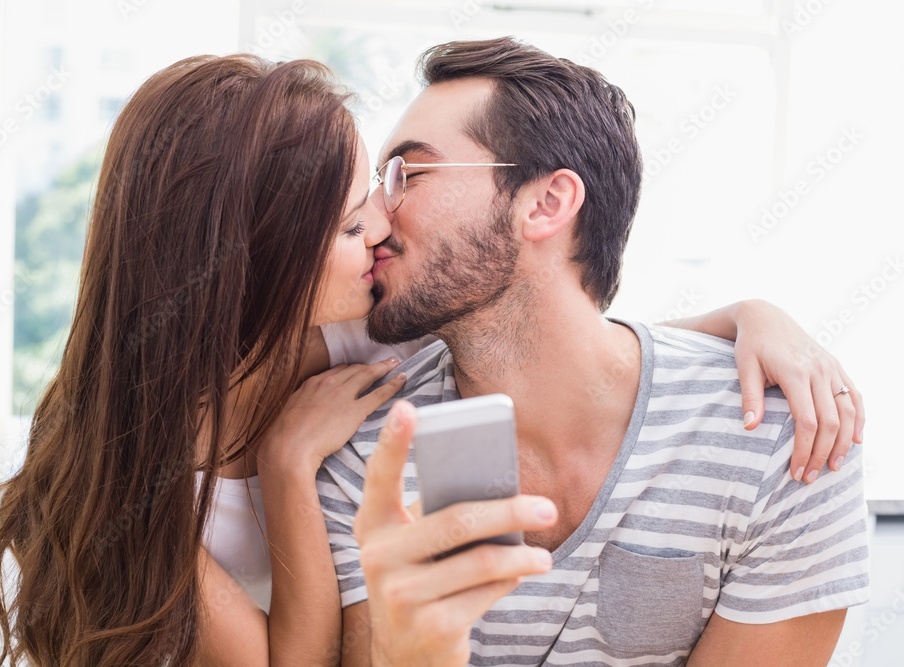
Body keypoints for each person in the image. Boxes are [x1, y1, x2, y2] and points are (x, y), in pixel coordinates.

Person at [0, 52, 862, 667]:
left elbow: (556, 333)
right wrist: (289, 468)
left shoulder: (372, 340)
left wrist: (752, 315)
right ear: (259, 255)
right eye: (351, 215)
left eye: (401, 181)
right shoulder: (153, 460)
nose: (381, 223)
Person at [318, 38, 870, 666]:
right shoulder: (370, 454)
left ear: (547, 203)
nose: (378, 220)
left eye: (408, 175)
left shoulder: (784, 437)